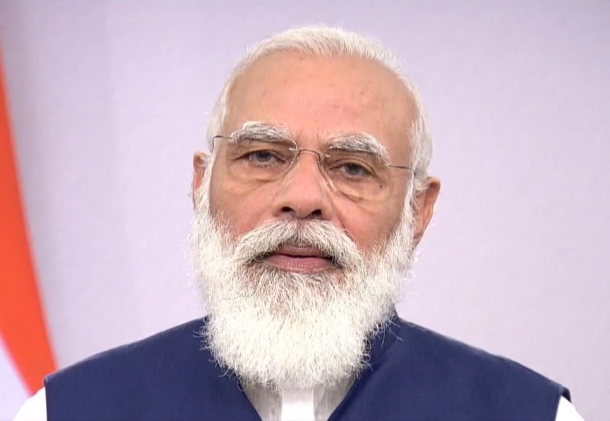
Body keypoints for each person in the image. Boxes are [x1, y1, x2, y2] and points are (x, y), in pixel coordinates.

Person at [14, 26, 584, 421]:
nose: (303, 198)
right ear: (201, 185)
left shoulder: (533, 415)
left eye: (353, 167)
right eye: (263, 156)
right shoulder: (64, 413)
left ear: (418, 211)